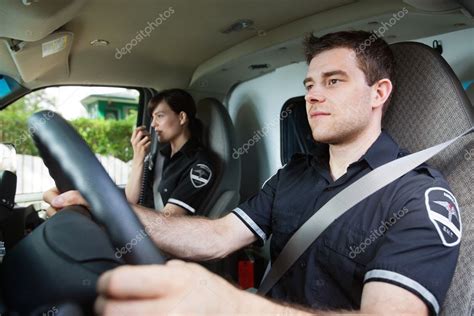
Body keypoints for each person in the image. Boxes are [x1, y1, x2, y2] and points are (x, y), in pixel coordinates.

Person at [46, 31, 461, 315]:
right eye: (310, 83)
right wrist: (107, 208)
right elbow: (216, 237)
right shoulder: (293, 175)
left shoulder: (417, 197)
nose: (313, 94)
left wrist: (230, 305)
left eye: (333, 81)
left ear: (378, 93)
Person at [45, 89, 215, 217]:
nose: (153, 124)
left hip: (158, 240)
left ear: (182, 118)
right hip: (141, 228)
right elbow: (132, 198)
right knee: (57, 207)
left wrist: (102, 208)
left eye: (160, 116)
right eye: (152, 117)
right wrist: (139, 157)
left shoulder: (200, 166)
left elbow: (168, 220)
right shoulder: (161, 156)